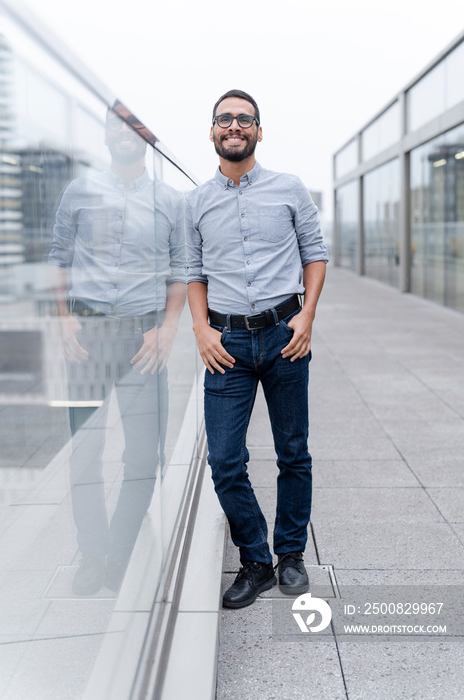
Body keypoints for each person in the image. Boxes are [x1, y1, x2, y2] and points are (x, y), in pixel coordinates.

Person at [186, 89, 328, 609]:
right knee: (224, 459)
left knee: (293, 451)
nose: (234, 126)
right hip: (226, 343)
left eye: (244, 119)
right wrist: (201, 330)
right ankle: (256, 560)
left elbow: (315, 255)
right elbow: (192, 274)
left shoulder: (290, 189)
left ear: (259, 131)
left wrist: (307, 315)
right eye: (225, 118)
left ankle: (290, 555)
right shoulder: (196, 202)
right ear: (212, 130)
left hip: (284, 334)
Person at [49, 102, 186, 595]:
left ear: (147, 138)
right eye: (115, 126)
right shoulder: (80, 191)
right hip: (86, 339)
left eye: (133, 127)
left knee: (143, 458)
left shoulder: (171, 201)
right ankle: (92, 554)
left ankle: (120, 553)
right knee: (84, 452)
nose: (124, 133)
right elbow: (58, 259)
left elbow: (180, 271)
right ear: (105, 136)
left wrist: (167, 328)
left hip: (142, 342)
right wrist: (64, 321)